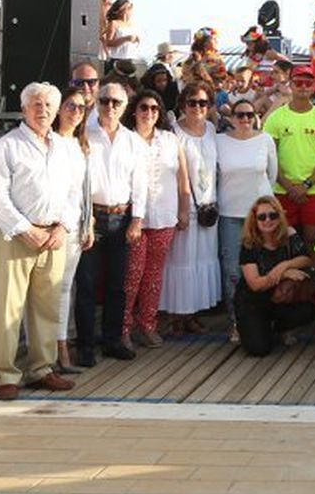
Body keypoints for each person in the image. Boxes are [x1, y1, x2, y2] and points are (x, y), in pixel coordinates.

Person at [0, 82, 85, 400]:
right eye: (36, 104)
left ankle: (42, 368)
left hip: (55, 235)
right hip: (17, 235)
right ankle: (4, 374)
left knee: (47, 306)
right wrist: (24, 228)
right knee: (8, 307)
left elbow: (74, 193)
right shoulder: (8, 145)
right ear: (24, 107)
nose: (43, 110)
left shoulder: (66, 148)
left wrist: (62, 227)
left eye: (48, 105)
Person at [75, 82, 149, 366]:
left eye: (116, 102)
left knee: (118, 285)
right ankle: (84, 346)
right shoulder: (84, 137)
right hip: (91, 216)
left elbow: (140, 184)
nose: (109, 107)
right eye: (104, 100)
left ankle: (112, 340)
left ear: (125, 106)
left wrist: (137, 221)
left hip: (122, 218)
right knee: (87, 284)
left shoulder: (133, 142)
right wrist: (85, 216)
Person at [121, 88, 189, 350]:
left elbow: (183, 179)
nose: (149, 113)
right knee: (132, 276)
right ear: (135, 111)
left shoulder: (170, 140)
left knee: (153, 276)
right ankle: (123, 327)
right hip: (134, 220)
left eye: (154, 108)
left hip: (165, 217)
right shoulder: (126, 139)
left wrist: (184, 210)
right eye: (143, 108)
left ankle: (147, 325)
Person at [214, 97, 278, 345]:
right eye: (239, 115)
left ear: (256, 117)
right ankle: (236, 322)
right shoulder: (220, 141)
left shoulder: (265, 140)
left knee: (265, 269)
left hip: (262, 216)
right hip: (229, 214)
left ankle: (266, 321)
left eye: (249, 115)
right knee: (232, 271)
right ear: (231, 118)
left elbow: (272, 175)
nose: (244, 119)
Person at [161, 81, 221, 334]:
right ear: (183, 104)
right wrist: (181, 209)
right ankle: (177, 315)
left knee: (202, 260)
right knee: (181, 261)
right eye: (192, 102)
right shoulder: (174, 132)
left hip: (209, 206)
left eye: (203, 102)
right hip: (185, 206)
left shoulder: (211, 129)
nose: (197, 107)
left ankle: (193, 313)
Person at [234, 195, 315, 357]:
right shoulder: (249, 243)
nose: (267, 220)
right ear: (254, 219)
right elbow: (256, 285)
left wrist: (284, 265)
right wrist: (283, 274)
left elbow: (306, 259)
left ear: (280, 216)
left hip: (278, 298)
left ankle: (274, 327)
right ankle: (246, 325)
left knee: (309, 310)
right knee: (259, 349)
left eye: (273, 215)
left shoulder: (289, 233)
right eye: (261, 217)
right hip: (253, 300)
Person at [47, 86, 94, 378]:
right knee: (44, 292)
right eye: (70, 106)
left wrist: (88, 222)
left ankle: (61, 347)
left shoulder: (81, 145)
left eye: (81, 108)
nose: (76, 112)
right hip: (52, 229)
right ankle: (48, 349)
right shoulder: (48, 141)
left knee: (65, 289)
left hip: (76, 227)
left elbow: (82, 190)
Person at [264, 66, 315, 245]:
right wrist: (289, 187)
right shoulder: (276, 117)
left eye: (308, 83)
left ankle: (311, 273)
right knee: (282, 242)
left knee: (313, 242)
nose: (303, 86)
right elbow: (269, 157)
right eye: (298, 82)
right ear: (290, 85)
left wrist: (306, 185)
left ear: (314, 87)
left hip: (314, 191)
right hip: (282, 190)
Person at [103, 0, 146, 65]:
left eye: (130, 8)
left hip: (130, 58)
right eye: (128, 8)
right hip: (117, 59)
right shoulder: (114, 23)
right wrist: (125, 39)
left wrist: (137, 39)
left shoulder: (132, 25)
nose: (130, 10)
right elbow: (109, 43)